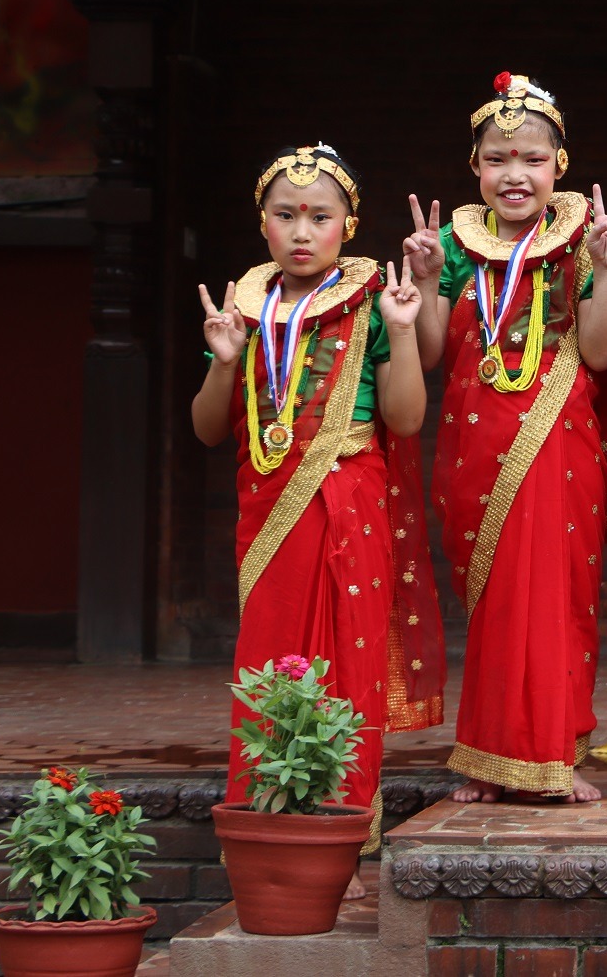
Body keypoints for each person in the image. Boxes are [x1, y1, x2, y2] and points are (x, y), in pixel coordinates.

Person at [193, 144, 445, 890]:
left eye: (320, 216)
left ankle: (341, 826)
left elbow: (405, 419)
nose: (302, 230)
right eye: (285, 215)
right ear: (263, 225)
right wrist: (222, 359)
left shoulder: (372, 301)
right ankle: (266, 818)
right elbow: (209, 429)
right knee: (266, 656)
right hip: (268, 511)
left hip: (349, 506)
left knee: (348, 659)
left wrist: (402, 331)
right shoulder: (243, 310)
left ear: (349, 225)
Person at [402, 73, 607, 805]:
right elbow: (433, 354)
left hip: (560, 448)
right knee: (497, 603)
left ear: (559, 166)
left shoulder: (578, 244)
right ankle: (491, 753)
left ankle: (553, 751)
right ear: (475, 167)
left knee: (557, 598)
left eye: (531, 158)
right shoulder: (454, 246)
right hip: (476, 451)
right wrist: (430, 282)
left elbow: (599, 354)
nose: (515, 174)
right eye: (498, 158)